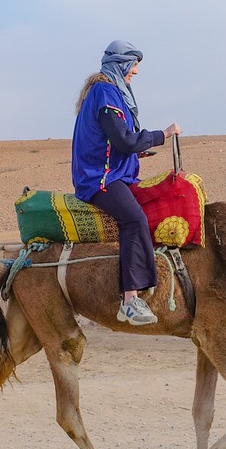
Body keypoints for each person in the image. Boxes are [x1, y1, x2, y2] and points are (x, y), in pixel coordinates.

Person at [72, 40, 181, 326]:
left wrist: (137, 149)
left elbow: (117, 140)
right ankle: (130, 300)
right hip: (102, 178)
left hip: (116, 173)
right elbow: (123, 139)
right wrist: (163, 134)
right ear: (120, 65)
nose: (136, 71)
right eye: (133, 65)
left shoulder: (110, 92)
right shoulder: (106, 92)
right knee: (134, 220)